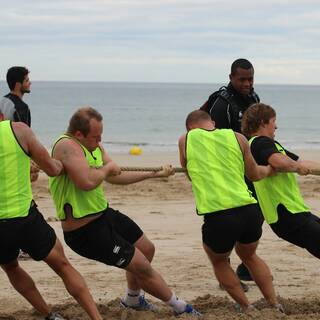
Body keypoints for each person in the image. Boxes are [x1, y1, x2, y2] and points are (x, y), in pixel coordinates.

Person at [48, 106, 201, 317]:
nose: (99, 140)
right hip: (84, 231)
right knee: (142, 267)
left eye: (101, 135)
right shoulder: (66, 147)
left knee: (147, 249)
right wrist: (106, 169)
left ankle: (132, 300)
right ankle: (181, 308)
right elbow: (85, 182)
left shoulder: (93, 146)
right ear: (78, 134)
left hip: (104, 215)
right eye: (95, 136)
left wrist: (155, 175)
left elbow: (115, 175)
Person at [0, 113, 104, 320]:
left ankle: (50, 315)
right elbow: (53, 169)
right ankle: (96, 318)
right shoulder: (18, 130)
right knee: (62, 265)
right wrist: (63, 165)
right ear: (2, 116)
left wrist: (25, 169)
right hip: (24, 217)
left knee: (11, 267)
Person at [178, 110, 283, 312]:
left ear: (190, 128)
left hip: (220, 214)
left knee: (218, 260)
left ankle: (246, 306)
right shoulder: (238, 137)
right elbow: (253, 174)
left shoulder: (186, 138)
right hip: (250, 210)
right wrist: (270, 170)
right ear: (213, 123)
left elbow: (190, 174)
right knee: (249, 255)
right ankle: (274, 303)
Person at [200, 58, 260, 284]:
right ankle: (225, 276)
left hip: (246, 166)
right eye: (242, 79)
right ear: (231, 78)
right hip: (224, 173)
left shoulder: (254, 97)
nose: (247, 83)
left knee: (255, 216)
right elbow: (212, 142)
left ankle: (245, 266)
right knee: (225, 223)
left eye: (250, 78)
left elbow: (255, 133)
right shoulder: (221, 105)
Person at [241, 103, 320, 260]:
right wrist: (297, 168)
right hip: (287, 215)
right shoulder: (260, 142)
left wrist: (298, 166)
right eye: (273, 121)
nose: (276, 127)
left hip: (295, 212)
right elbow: (279, 163)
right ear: (263, 122)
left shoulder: (268, 145)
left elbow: (302, 162)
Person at [0, 66, 38, 259]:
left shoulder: (1, 101)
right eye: (27, 79)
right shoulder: (21, 108)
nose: (30, 82)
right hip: (14, 160)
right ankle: (24, 246)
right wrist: (31, 164)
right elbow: (25, 140)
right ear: (18, 84)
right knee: (22, 198)